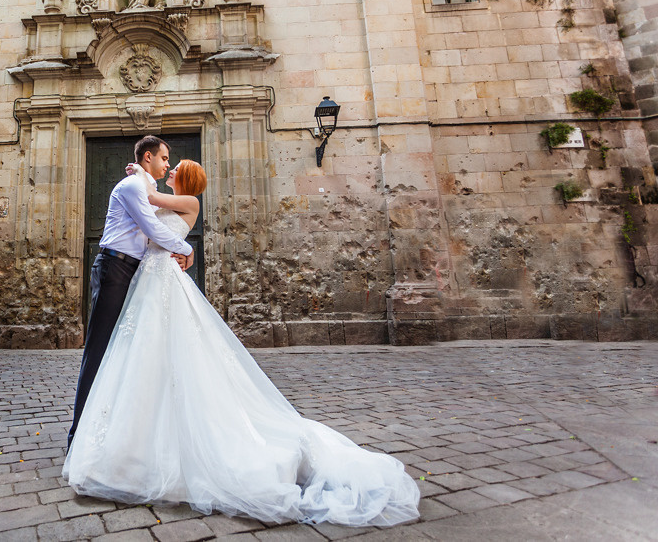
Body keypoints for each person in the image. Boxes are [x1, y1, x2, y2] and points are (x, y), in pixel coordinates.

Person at [63, 160, 421, 526]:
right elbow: (145, 214)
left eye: (175, 167)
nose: (169, 169)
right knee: (147, 358)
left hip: (161, 280)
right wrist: (162, 213)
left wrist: (140, 177)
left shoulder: (187, 202)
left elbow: (149, 211)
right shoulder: (163, 200)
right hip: (151, 279)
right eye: (167, 163)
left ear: (184, 179)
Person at [66, 136, 193, 451]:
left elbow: (159, 213)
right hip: (114, 268)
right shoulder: (134, 187)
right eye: (164, 158)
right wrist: (188, 248)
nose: (167, 164)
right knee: (98, 350)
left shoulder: (144, 186)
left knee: (120, 349)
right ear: (148, 156)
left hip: (130, 272)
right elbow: (152, 229)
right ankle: (77, 436)